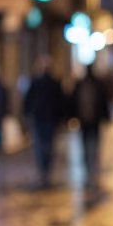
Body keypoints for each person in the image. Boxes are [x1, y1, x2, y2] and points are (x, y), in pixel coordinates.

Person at [23, 57, 65, 188]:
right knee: (48, 145)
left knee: (40, 145)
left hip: (40, 118)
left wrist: (28, 113)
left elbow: (27, 101)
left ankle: (44, 169)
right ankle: (45, 169)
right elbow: (60, 101)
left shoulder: (37, 82)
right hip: (48, 118)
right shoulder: (53, 83)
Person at [71, 64, 111, 188]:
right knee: (90, 144)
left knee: (89, 144)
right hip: (89, 121)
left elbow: (103, 101)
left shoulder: (87, 84)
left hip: (90, 120)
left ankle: (90, 167)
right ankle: (90, 167)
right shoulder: (92, 84)